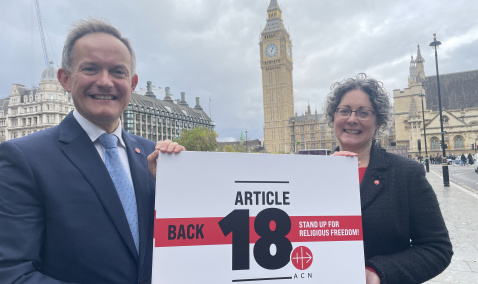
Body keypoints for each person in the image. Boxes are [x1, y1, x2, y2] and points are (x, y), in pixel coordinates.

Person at [0, 18, 184, 283]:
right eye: (90, 69)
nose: (105, 82)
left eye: (118, 72)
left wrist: (181, 186)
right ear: (65, 79)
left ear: (132, 85)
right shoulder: (23, 159)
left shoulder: (155, 157)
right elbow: (12, 273)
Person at [326, 73, 452, 284]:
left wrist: (379, 272)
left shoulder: (406, 173)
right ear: (333, 116)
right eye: (344, 111)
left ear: (379, 121)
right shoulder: (308, 177)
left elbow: (437, 248)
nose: (352, 119)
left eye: (364, 113)